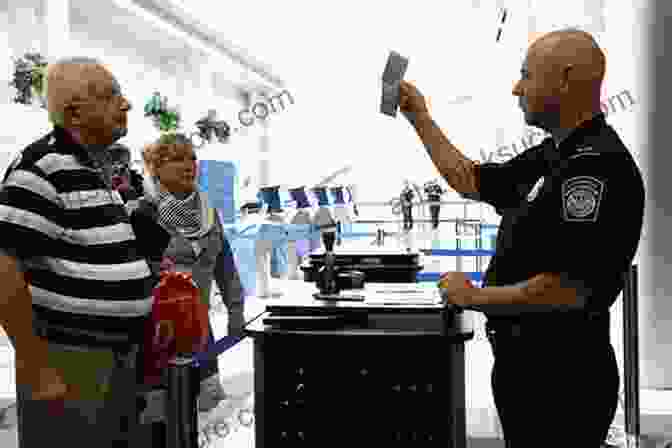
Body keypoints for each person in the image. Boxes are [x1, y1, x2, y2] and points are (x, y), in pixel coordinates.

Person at [398, 29, 645, 447]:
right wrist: (420, 116)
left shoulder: (596, 167)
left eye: (527, 75)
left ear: (565, 79)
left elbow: (569, 289)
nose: (517, 87)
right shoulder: (554, 153)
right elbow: (472, 180)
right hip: (527, 368)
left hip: (562, 379)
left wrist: (472, 297)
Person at [0, 57, 167, 448]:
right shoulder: (40, 167)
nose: (126, 105)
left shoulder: (91, 168)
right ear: (75, 111)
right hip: (71, 360)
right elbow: (3, 265)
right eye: (113, 96)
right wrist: (35, 364)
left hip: (116, 357)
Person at [137, 133, 245, 414]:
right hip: (156, 337)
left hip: (200, 333)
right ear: (156, 168)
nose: (188, 164)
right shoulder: (143, 213)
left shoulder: (209, 212)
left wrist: (236, 310)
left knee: (205, 410)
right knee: (161, 417)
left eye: (192, 157)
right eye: (177, 158)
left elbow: (226, 266)